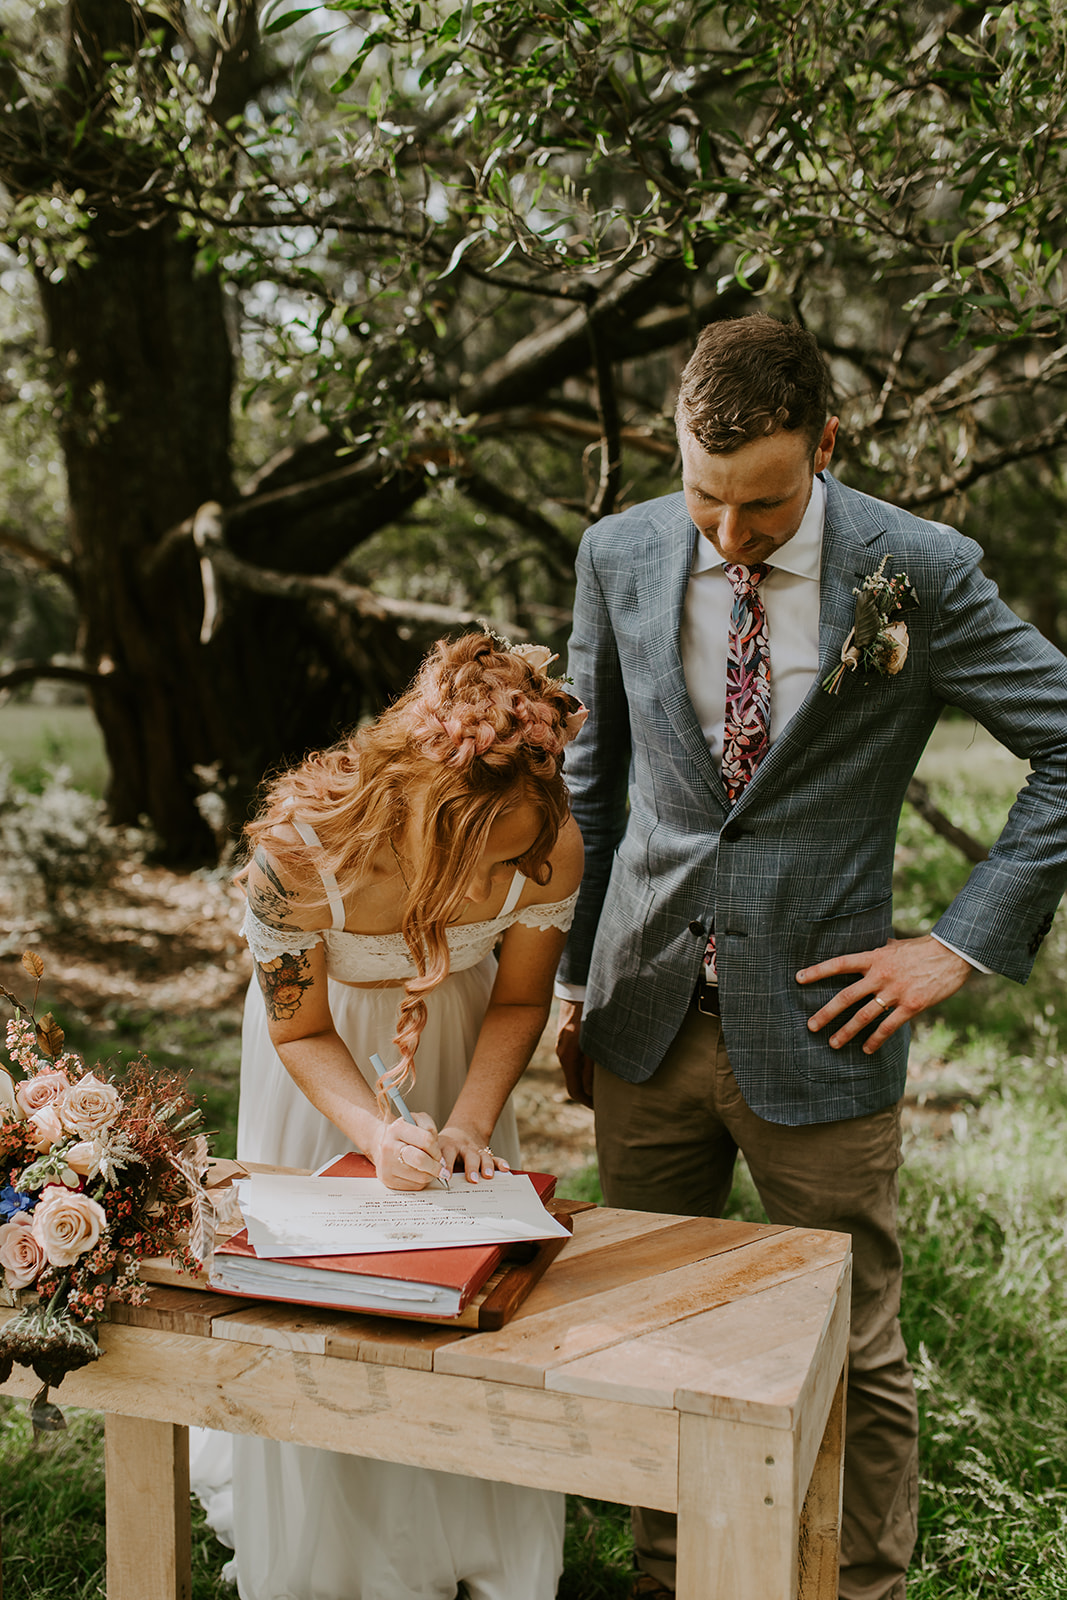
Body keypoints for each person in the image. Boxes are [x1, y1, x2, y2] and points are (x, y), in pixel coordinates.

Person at [553, 315, 1067, 1600]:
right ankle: (677, 1575)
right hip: (641, 1015)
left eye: (766, 505)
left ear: (825, 446)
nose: (728, 535)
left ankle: (855, 1587)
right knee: (645, 1329)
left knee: (850, 1343)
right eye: (703, 496)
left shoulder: (919, 568)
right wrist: (569, 979)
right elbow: (591, 786)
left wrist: (956, 945)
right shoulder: (614, 552)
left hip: (828, 1021)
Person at [192, 631, 585, 1600]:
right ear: (421, 801)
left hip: (462, 1057)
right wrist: (372, 1134)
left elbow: (516, 1001)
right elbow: (298, 1032)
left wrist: (464, 1125)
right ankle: (328, 1543)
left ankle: (469, 1534)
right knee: (328, 1303)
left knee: (461, 1298)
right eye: (469, 856)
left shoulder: (545, 842)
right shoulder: (295, 854)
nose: (477, 883)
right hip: (321, 1066)